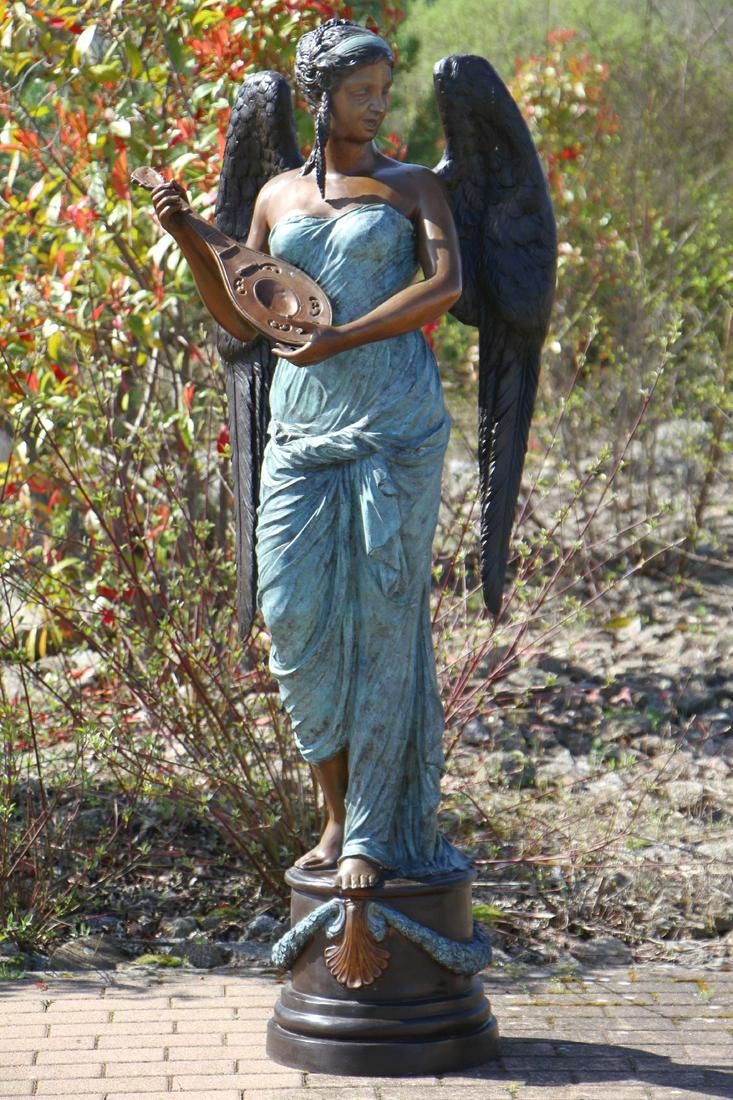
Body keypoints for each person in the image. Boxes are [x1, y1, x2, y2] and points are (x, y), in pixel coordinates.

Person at [151, 17, 471, 891]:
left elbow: (441, 286)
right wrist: (188, 238)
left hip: (392, 428)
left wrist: (344, 338)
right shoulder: (274, 197)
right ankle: (330, 810)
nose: (377, 107)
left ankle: (368, 830)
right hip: (300, 430)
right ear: (316, 96)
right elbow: (247, 317)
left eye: (383, 91)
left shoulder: (414, 190)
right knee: (292, 619)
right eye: (360, 92)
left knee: (382, 625)